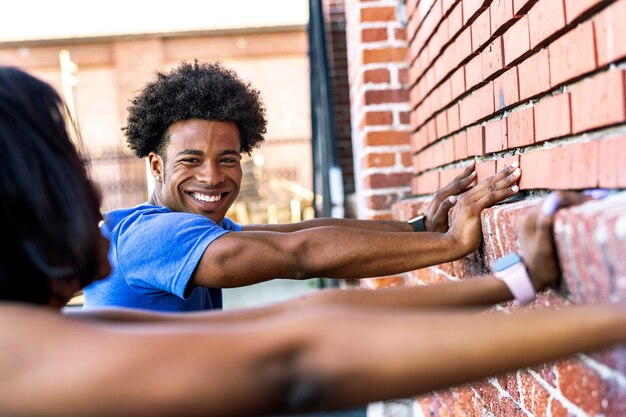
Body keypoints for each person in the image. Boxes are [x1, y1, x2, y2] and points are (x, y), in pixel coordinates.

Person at [1, 66, 625, 417]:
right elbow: (299, 320)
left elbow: (305, 283)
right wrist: (452, 247)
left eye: (229, 157)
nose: (87, 193)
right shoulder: (144, 237)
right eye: (67, 168)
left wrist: (444, 242)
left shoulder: (52, 328)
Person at [83, 61, 523, 311]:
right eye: (191, 160)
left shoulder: (177, 228)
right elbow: (300, 256)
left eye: (228, 159)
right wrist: (451, 244)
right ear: (156, 165)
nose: (212, 177)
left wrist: (420, 227)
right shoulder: (153, 236)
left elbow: (297, 233)